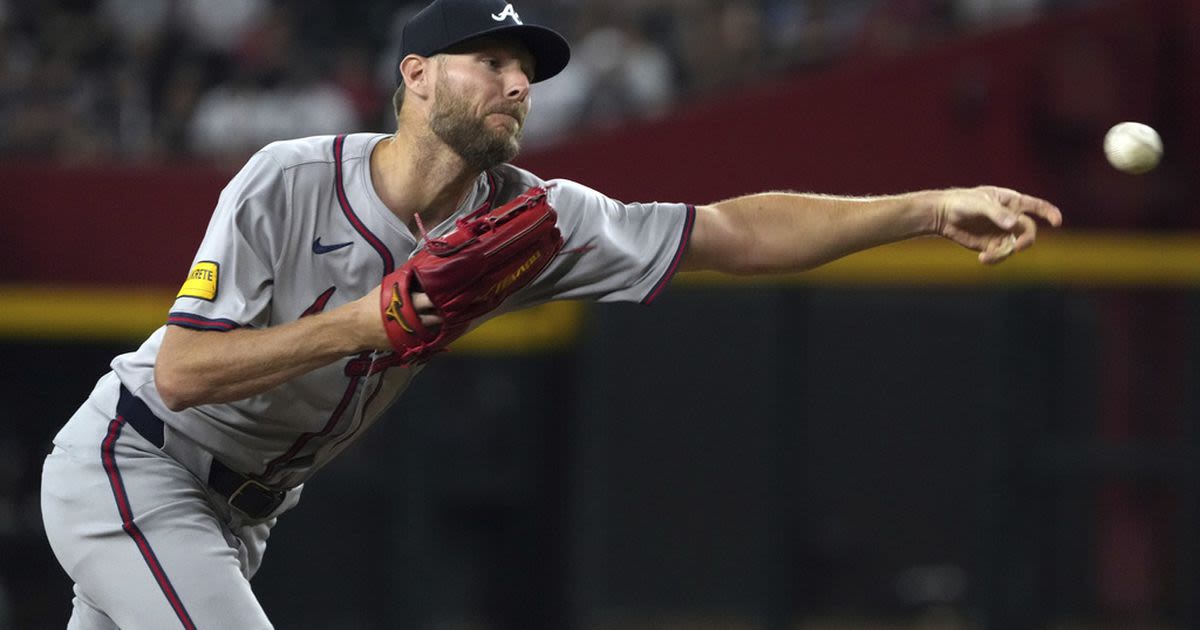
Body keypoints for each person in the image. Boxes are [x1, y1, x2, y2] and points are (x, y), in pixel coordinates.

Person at [39, 0, 1063, 627]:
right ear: (417, 75)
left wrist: (927, 206)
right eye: (492, 59)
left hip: (245, 513)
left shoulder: (530, 223)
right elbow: (179, 374)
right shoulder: (289, 181)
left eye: (526, 69)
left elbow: (730, 234)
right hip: (138, 465)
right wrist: (367, 321)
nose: (517, 82)